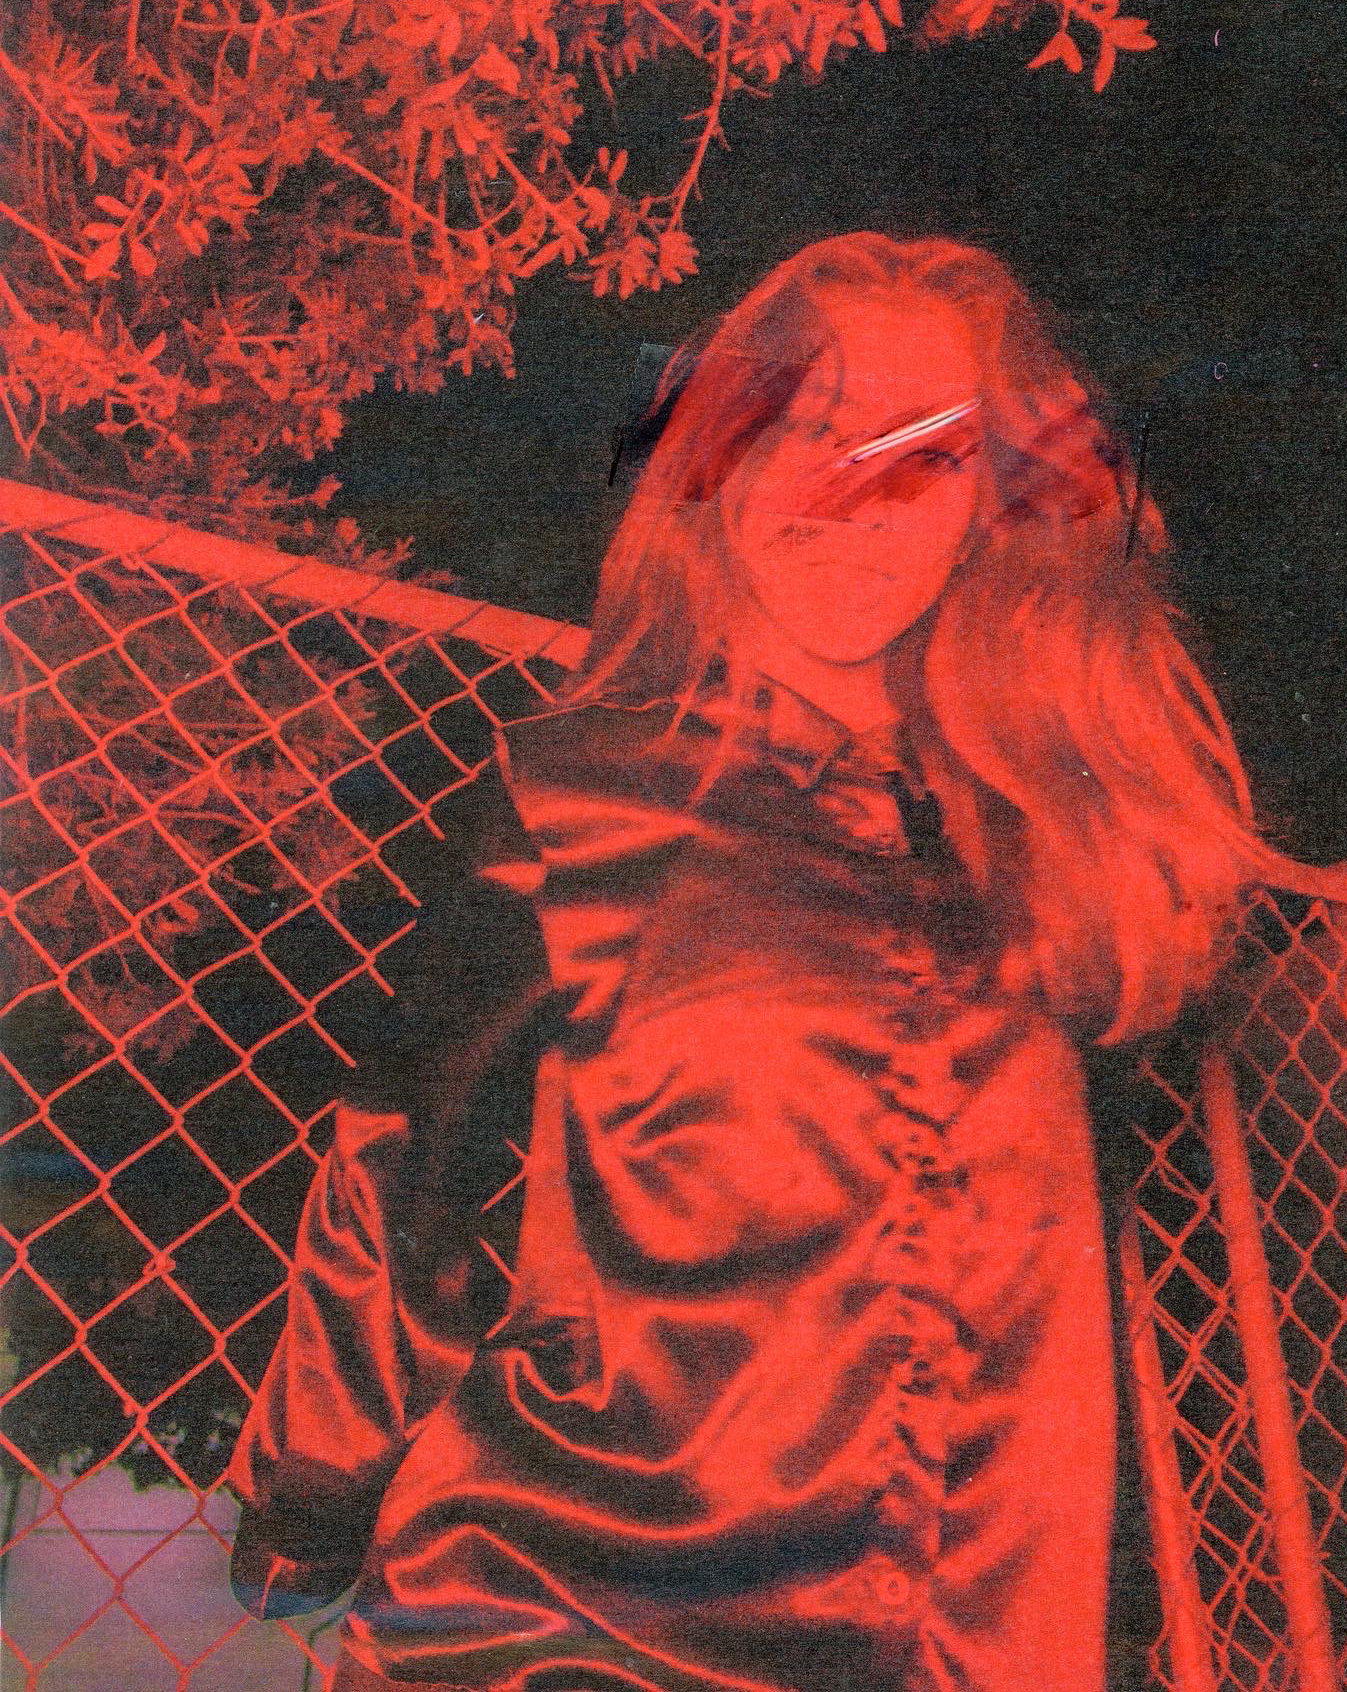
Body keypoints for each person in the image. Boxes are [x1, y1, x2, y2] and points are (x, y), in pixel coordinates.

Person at [227, 232, 1292, 1690]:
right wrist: (305, 1512)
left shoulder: (1059, 858)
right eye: (808, 430)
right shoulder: (581, 793)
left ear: (991, 509)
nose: (854, 495)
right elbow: (406, 1176)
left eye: (924, 455)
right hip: (572, 1628)